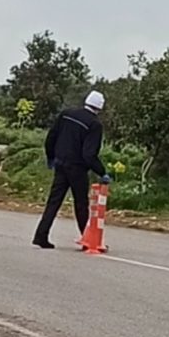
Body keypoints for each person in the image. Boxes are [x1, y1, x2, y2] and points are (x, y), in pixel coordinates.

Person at [32, 90, 112, 249]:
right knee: (81, 204)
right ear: (100, 108)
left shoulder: (67, 114)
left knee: (53, 202)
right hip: (77, 168)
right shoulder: (94, 124)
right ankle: (88, 240)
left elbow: (51, 137)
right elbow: (89, 154)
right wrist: (102, 172)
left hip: (61, 164)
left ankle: (41, 236)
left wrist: (51, 157)